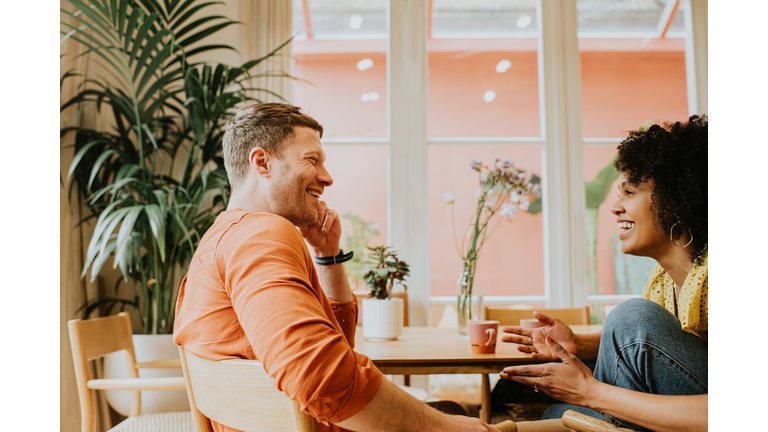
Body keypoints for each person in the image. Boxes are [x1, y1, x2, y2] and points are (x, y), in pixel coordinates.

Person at [173, 103, 502, 432]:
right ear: (262, 163)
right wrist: (447, 428)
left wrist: (328, 257)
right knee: (459, 415)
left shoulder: (222, 237)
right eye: (312, 160)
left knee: (446, 408)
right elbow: (320, 378)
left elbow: (335, 347)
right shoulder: (260, 235)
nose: (327, 178)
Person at [497, 115, 708, 432]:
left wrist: (592, 393)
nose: (615, 206)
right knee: (555, 412)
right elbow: (656, 350)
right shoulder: (663, 280)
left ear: (675, 201)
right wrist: (576, 343)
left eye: (629, 192)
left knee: (630, 318)